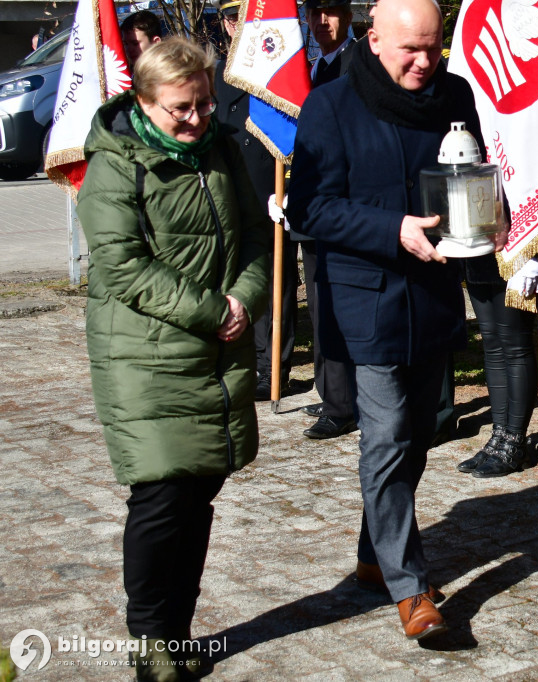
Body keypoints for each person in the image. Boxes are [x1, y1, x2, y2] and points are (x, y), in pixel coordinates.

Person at [289, 0, 496, 640]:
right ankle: (411, 588)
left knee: (418, 432)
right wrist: (391, 228)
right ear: (372, 38)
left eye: (435, 48)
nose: (424, 62)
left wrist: (493, 215)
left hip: (433, 292)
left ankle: (374, 556)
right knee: (385, 434)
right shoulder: (332, 103)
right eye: (410, 49)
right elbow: (309, 210)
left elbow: (473, 174)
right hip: (366, 297)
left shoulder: (455, 94)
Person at [76, 37, 270, 679]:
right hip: (143, 355)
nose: (195, 120)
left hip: (216, 352)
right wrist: (215, 312)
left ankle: (178, 634)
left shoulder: (218, 148)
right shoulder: (113, 165)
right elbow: (123, 267)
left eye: (205, 105)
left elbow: (253, 239)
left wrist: (243, 297)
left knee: (197, 494)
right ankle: (152, 642)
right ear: (143, 99)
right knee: (162, 497)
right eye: (180, 109)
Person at [214, 0, 300, 403]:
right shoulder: (217, 76)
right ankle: (243, 358)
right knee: (234, 277)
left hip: (270, 190)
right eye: (232, 19)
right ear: (225, 25)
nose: (238, 25)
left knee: (275, 280)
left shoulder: (274, 65)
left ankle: (273, 367)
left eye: (244, 17)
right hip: (229, 193)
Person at [290, 0, 359, 438]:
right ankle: (331, 393)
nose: (321, 22)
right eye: (314, 13)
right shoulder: (314, 69)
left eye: (330, 12)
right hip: (315, 206)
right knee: (318, 303)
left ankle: (344, 402)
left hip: (342, 206)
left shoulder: (358, 64)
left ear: (349, 15)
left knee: (338, 305)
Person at [455, 257, 538, 478]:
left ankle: (515, 442)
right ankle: (499, 436)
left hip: (516, 251)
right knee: (492, 345)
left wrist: (535, 258)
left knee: (515, 346)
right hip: (477, 250)